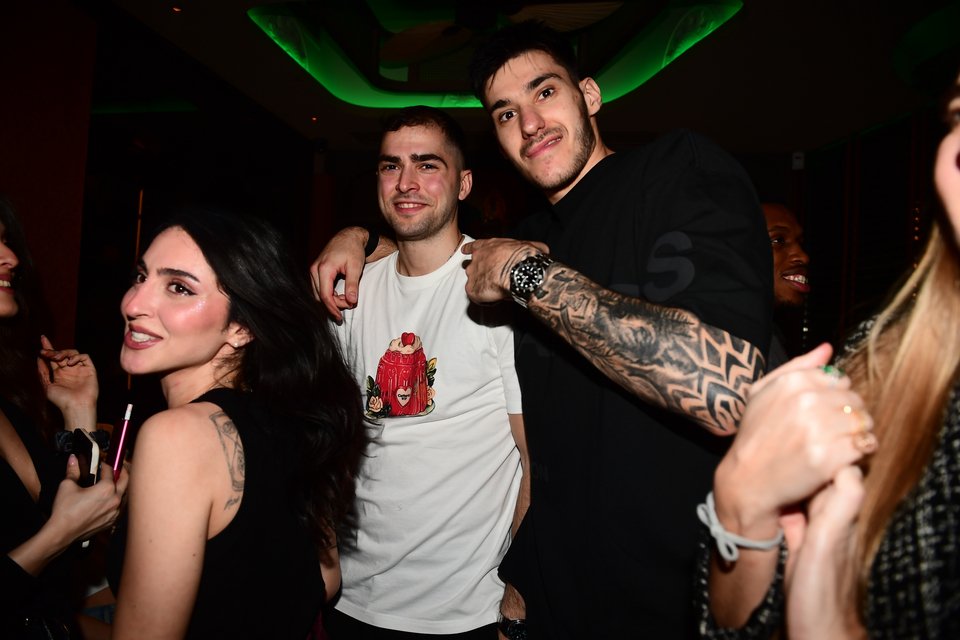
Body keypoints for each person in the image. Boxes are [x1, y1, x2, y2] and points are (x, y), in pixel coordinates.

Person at [312, 20, 772, 638]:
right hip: (553, 603)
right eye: (506, 113)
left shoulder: (670, 173)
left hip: (674, 601)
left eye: (545, 92)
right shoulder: (522, 238)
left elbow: (725, 387)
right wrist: (361, 236)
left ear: (590, 95)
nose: (529, 124)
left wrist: (527, 276)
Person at [696, 70, 960, 637]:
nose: (804, 256)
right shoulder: (878, 357)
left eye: (801, 240)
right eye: (959, 117)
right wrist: (741, 502)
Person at [109, 208, 366, 639]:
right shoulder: (295, 420)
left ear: (242, 327)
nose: (133, 304)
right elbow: (325, 580)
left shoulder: (176, 436)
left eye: (178, 288)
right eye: (140, 276)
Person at [324, 106, 528, 639]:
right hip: (350, 599)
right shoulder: (351, 291)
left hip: (463, 612)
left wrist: (518, 598)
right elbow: (325, 437)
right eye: (390, 166)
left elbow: (538, 461)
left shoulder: (495, 291)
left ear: (464, 184)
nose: (406, 183)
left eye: (427, 165)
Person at [0, 197, 127, 638]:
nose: (11, 257)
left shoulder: (10, 397)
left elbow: (80, 536)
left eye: (6, 240)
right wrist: (58, 534)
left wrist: (78, 410)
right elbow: (65, 533)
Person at [762, 202, 810, 369]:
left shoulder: (769, 336)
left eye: (800, 242)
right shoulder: (720, 335)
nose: (803, 257)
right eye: (778, 240)